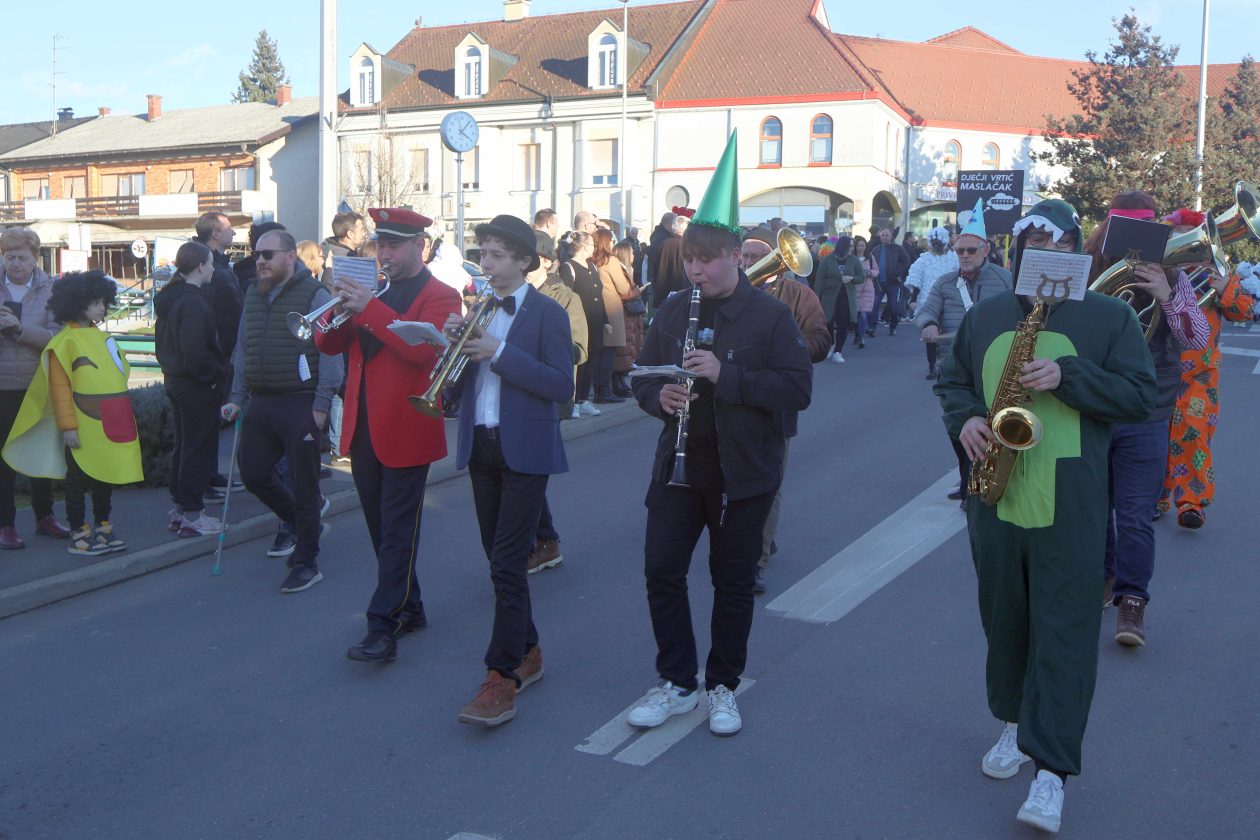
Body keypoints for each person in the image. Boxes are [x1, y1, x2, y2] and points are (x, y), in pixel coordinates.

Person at [934, 199, 1157, 834]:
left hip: (1072, 507)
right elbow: (953, 383)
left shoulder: (1110, 317)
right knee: (1004, 621)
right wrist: (967, 419)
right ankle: (1013, 722)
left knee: (1064, 632)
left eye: (1054, 243)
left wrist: (1069, 376)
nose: (1042, 253)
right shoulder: (986, 315)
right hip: (996, 499)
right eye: (1030, 243)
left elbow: (1140, 396)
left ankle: (1052, 772)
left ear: (1075, 250)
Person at [626, 133, 812, 737]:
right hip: (679, 467)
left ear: (735, 254)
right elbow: (642, 376)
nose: (696, 270)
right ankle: (678, 682)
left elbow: (796, 389)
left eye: (707, 260)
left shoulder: (771, 315)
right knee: (661, 571)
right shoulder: (674, 307)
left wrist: (725, 375)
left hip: (744, 474)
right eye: (690, 260)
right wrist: (660, 397)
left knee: (732, 584)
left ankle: (723, 685)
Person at [443, 214, 572, 727]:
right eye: (484, 255)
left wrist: (500, 353)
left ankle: (501, 675)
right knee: (498, 561)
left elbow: (561, 385)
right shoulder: (479, 308)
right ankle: (529, 650)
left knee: (506, 564)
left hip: (525, 450)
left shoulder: (548, 313)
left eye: (497, 256)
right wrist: (450, 347)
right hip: (482, 446)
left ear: (523, 261)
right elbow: (457, 387)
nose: (487, 264)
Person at [315, 208, 460, 662]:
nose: (385, 254)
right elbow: (326, 344)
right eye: (381, 245)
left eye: (394, 245)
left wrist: (368, 309)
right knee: (381, 530)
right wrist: (337, 308)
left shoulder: (442, 295)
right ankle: (410, 608)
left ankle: (382, 627)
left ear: (420, 246)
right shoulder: (374, 291)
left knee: (397, 532)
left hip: (407, 427)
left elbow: (421, 353)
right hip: (362, 429)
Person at [1086, 190, 1211, 645]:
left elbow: (1196, 338)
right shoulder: (1088, 268)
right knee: (1095, 508)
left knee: (1135, 515)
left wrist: (1166, 295)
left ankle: (1132, 601)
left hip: (1147, 410)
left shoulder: (1173, 275)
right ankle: (1104, 576)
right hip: (1094, 408)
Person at [223, 230, 343, 594]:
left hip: (300, 402)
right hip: (261, 400)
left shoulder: (315, 294)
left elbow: (330, 351)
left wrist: (321, 404)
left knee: (304, 484)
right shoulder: (253, 293)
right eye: (256, 255)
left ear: (291, 256)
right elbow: (243, 348)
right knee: (253, 473)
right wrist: (237, 397)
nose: (259, 261)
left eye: (268, 254)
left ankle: (307, 562)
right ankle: (307, 526)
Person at [4, 271, 145, 556]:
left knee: (105, 476)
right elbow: (60, 388)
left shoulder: (104, 338)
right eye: (95, 303)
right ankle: (79, 531)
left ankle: (103, 526)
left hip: (107, 422)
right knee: (77, 482)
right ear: (77, 303)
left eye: (103, 302)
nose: (102, 308)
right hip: (80, 427)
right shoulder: (64, 342)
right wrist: (68, 426)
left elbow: (118, 375)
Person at [738, 227, 828, 594]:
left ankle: (754, 560)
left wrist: (782, 345)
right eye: (744, 256)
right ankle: (756, 540)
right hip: (734, 397)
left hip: (776, 403)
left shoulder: (800, 295)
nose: (748, 262)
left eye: (755, 256)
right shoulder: (730, 292)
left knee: (768, 482)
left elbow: (820, 341)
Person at [917, 207, 1012, 503]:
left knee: (990, 424)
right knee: (957, 425)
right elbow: (927, 310)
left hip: (994, 366)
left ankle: (987, 478)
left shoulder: (1006, 280)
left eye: (971, 250)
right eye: (960, 251)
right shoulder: (945, 283)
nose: (965, 255)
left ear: (985, 250)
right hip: (953, 366)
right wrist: (929, 324)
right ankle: (967, 477)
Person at [0, 227, 71, 548]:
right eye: (9, 257)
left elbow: (58, 339)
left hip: (38, 385)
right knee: (4, 458)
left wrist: (20, 329)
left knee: (41, 452)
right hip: (2, 387)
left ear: (35, 258)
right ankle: (6, 524)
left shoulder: (51, 291)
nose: (15, 264)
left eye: (22, 258)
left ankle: (45, 516)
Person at [525, 230, 588, 575]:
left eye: (529, 258)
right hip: (515, 392)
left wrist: (534, 349)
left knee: (530, 474)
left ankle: (545, 542)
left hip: (547, 397)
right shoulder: (510, 294)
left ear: (546, 261)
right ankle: (542, 541)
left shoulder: (564, 297)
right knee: (522, 474)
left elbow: (579, 349)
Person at [154, 241, 228, 538]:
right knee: (198, 449)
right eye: (210, 263)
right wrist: (212, 377)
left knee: (184, 446)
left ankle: (181, 510)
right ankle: (193, 514)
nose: (213, 269)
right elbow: (195, 350)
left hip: (175, 380)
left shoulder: (171, 298)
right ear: (199, 266)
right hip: (196, 384)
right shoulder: (193, 302)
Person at [558, 231, 608, 417]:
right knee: (579, 362)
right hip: (579, 323)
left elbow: (599, 296)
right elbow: (567, 296)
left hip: (595, 322)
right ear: (585, 246)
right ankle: (573, 401)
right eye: (593, 245)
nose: (594, 248)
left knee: (592, 361)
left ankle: (584, 399)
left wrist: (605, 320)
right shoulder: (568, 267)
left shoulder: (592, 266)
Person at [905, 227, 959, 372]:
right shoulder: (924, 260)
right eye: (934, 242)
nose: (937, 245)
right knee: (930, 333)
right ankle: (932, 365)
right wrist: (913, 299)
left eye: (939, 242)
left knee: (947, 333)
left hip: (950, 302)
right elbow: (916, 279)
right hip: (928, 303)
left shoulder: (954, 258)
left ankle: (945, 362)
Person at [591, 228, 630, 403]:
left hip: (596, 307)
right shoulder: (611, 261)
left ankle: (598, 390)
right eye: (612, 240)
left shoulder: (592, 260)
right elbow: (623, 288)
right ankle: (605, 391)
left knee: (598, 353)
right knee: (609, 353)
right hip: (611, 308)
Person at [812, 235, 864, 363]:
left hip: (846, 297)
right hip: (829, 296)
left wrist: (851, 278)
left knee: (843, 323)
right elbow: (819, 280)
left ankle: (838, 352)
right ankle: (832, 343)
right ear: (843, 247)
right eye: (850, 246)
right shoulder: (827, 260)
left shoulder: (854, 260)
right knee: (828, 322)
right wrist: (815, 298)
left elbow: (861, 277)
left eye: (852, 246)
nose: (852, 248)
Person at [612, 239, 646, 396]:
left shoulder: (628, 269)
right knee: (623, 350)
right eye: (631, 252)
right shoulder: (619, 269)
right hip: (623, 312)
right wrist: (637, 291)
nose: (634, 255)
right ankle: (616, 381)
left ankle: (621, 380)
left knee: (629, 348)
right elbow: (624, 291)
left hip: (630, 313)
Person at [869, 227, 911, 334]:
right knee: (874, 305)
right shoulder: (875, 250)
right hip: (878, 283)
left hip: (892, 282)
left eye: (887, 235)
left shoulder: (897, 248)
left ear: (891, 236)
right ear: (880, 236)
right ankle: (872, 328)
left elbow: (906, 261)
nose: (884, 237)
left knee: (893, 306)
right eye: (882, 235)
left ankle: (893, 326)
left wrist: (897, 272)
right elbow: (870, 263)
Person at [652, 209, 692, 308]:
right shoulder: (685, 244)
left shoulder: (664, 243)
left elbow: (656, 267)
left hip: (663, 291)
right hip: (680, 292)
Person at [320, 210, 367, 286]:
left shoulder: (326, 251)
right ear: (350, 234)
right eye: (361, 230)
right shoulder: (345, 262)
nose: (364, 234)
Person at [853, 235, 877, 347]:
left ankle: (861, 338)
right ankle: (857, 335)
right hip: (854, 289)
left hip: (867, 289)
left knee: (863, 315)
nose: (860, 248)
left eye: (862, 245)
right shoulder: (851, 258)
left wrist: (869, 272)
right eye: (858, 245)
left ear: (866, 246)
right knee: (855, 316)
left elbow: (876, 271)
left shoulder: (870, 257)